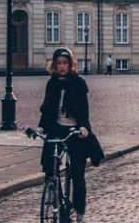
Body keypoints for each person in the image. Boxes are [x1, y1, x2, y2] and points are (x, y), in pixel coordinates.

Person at [36, 48, 101, 223]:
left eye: (65, 63)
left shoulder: (78, 83)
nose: (62, 67)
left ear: (70, 65)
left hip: (75, 131)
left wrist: (83, 127)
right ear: (54, 66)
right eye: (59, 64)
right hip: (57, 129)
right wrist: (41, 128)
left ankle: (79, 213)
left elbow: (84, 110)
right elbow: (47, 108)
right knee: (50, 166)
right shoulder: (52, 83)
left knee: (77, 175)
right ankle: (52, 190)